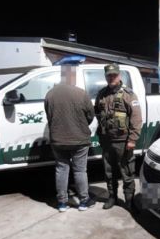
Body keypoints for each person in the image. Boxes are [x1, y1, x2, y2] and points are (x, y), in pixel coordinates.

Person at [44, 62, 96, 212]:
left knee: (61, 169)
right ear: (72, 76)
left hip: (58, 139)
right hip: (79, 139)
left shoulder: (50, 94)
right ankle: (84, 201)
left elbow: (50, 116)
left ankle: (62, 203)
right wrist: (80, 125)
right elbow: (90, 115)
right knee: (80, 171)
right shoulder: (81, 93)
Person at [94, 63, 142, 210]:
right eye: (109, 75)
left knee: (127, 172)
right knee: (109, 172)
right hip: (107, 141)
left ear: (119, 75)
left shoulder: (129, 94)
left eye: (114, 75)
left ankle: (130, 200)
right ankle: (112, 197)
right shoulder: (101, 94)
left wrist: (132, 139)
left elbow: (136, 118)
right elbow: (97, 113)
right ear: (106, 76)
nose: (111, 78)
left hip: (123, 141)